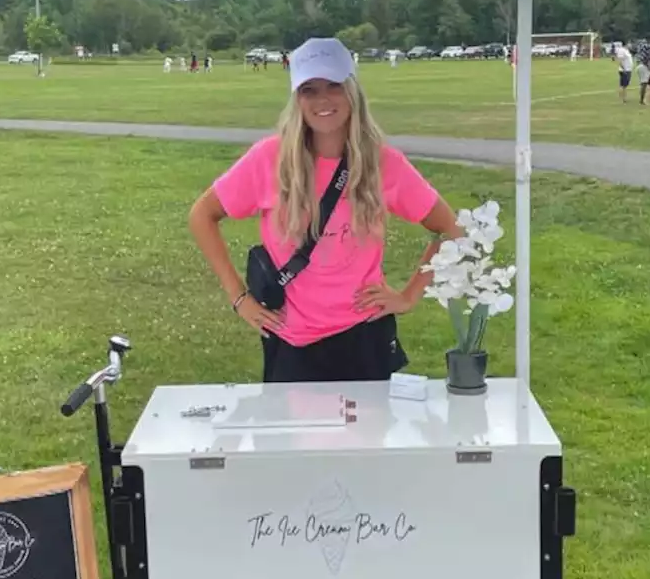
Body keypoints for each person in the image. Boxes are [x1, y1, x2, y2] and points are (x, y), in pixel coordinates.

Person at [187, 37, 466, 384]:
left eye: (334, 86)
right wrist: (238, 295)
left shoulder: (382, 163)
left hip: (364, 336)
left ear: (352, 91)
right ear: (296, 99)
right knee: (295, 439)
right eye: (309, 89)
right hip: (291, 341)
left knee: (367, 439)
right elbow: (202, 215)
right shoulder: (269, 159)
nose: (323, 100)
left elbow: (453, 229)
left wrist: (409, 296)